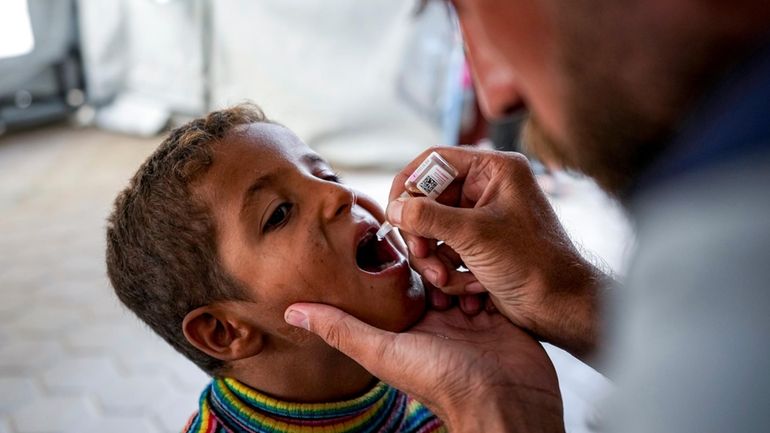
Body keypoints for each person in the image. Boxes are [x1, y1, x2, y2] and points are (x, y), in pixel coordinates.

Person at [284, 1, 770, 432]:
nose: (497, 96)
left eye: (472, 9)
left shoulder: (728, 265)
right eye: (278, 214)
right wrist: (563, 296)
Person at [105, 104, 449, 432]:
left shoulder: (447, 366)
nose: (339, 196)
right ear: (226, 331)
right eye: (280, 214)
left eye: (327, 174)